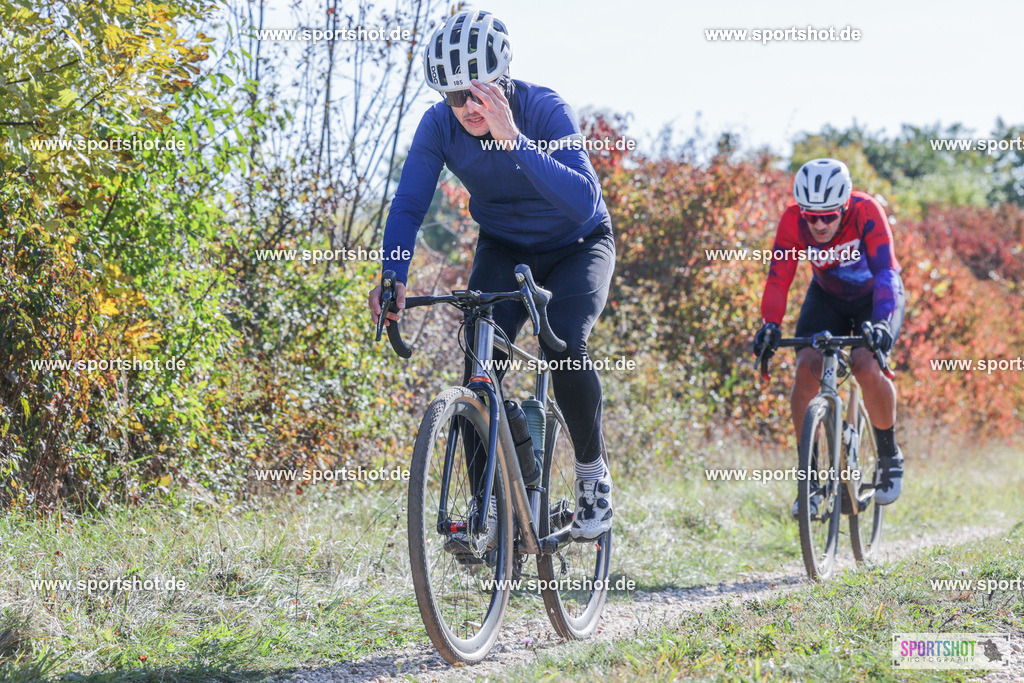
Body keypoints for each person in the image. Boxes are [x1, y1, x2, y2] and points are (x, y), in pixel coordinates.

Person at [368, 10, 616, 541]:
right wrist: (393, 275)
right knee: (480, 362)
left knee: (565, 343)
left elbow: (582, 201)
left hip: (578, 245)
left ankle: (594, 479)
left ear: (502, 80)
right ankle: (493, 506)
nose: (469, 107)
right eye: (455, 96)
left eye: (478, 92)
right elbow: (410, 203)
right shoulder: (439, 125)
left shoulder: (544, 109)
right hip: (505, 246)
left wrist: (513, 140)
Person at [752, 158, 906, 516]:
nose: (819, 224)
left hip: (875, 298)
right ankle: (810, 479)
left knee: (866, 364)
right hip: (828, 296)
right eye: (811, 216)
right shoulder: (793, 220)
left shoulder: (867, 211)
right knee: (807, 366)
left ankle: (888, 456)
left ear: (845, 205)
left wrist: (882, 322)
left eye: (829, 216)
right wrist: (770, 324)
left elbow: (886, 272)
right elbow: (779, 276)